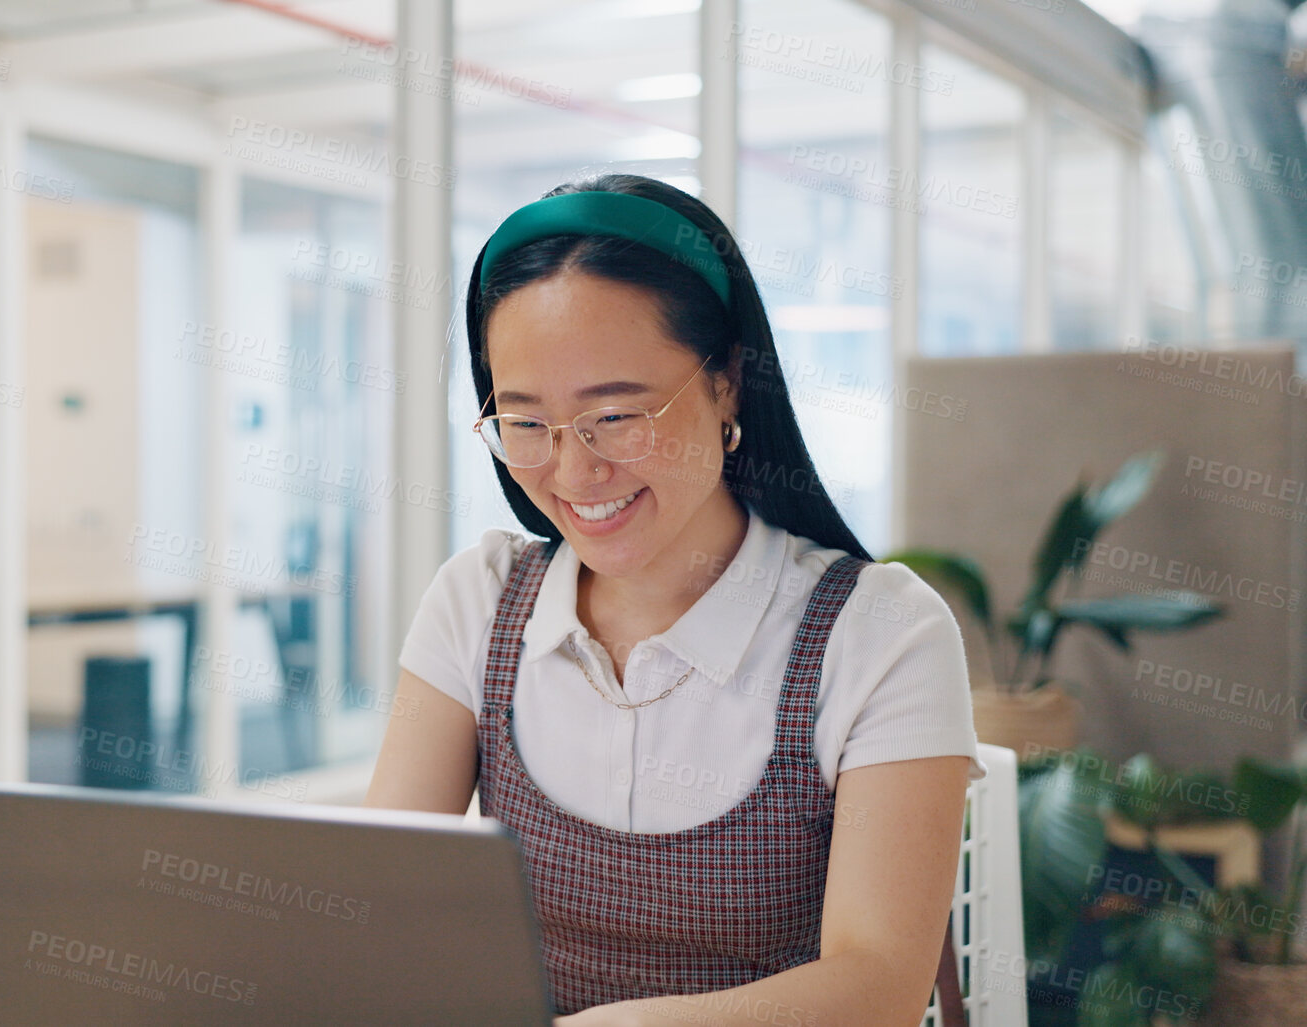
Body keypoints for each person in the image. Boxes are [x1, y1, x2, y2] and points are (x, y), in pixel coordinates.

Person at [365, 174, 987, 1026]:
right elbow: (380, 904)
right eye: (524, 422)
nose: (574, 471)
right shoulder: (478, 602)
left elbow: (876, 985)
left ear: (727, 380)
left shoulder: (879, 631)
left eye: (615, 415)